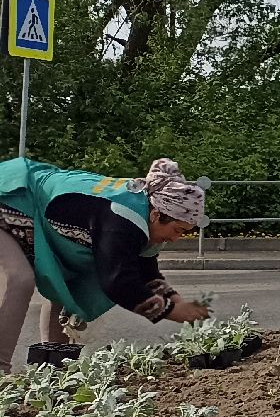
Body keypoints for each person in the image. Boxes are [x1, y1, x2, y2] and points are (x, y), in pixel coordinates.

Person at [0, 157, 211, 371]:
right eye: (177, 230)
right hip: (10, 195)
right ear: (157, 215)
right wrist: (171, 312)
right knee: (20, 279)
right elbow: (119, 282)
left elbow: (146, 270)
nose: (176, 238)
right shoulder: (121, 218)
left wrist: (178, 302)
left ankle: (53, 368)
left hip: (36, 208)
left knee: (64, 290)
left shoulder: (146, 212)